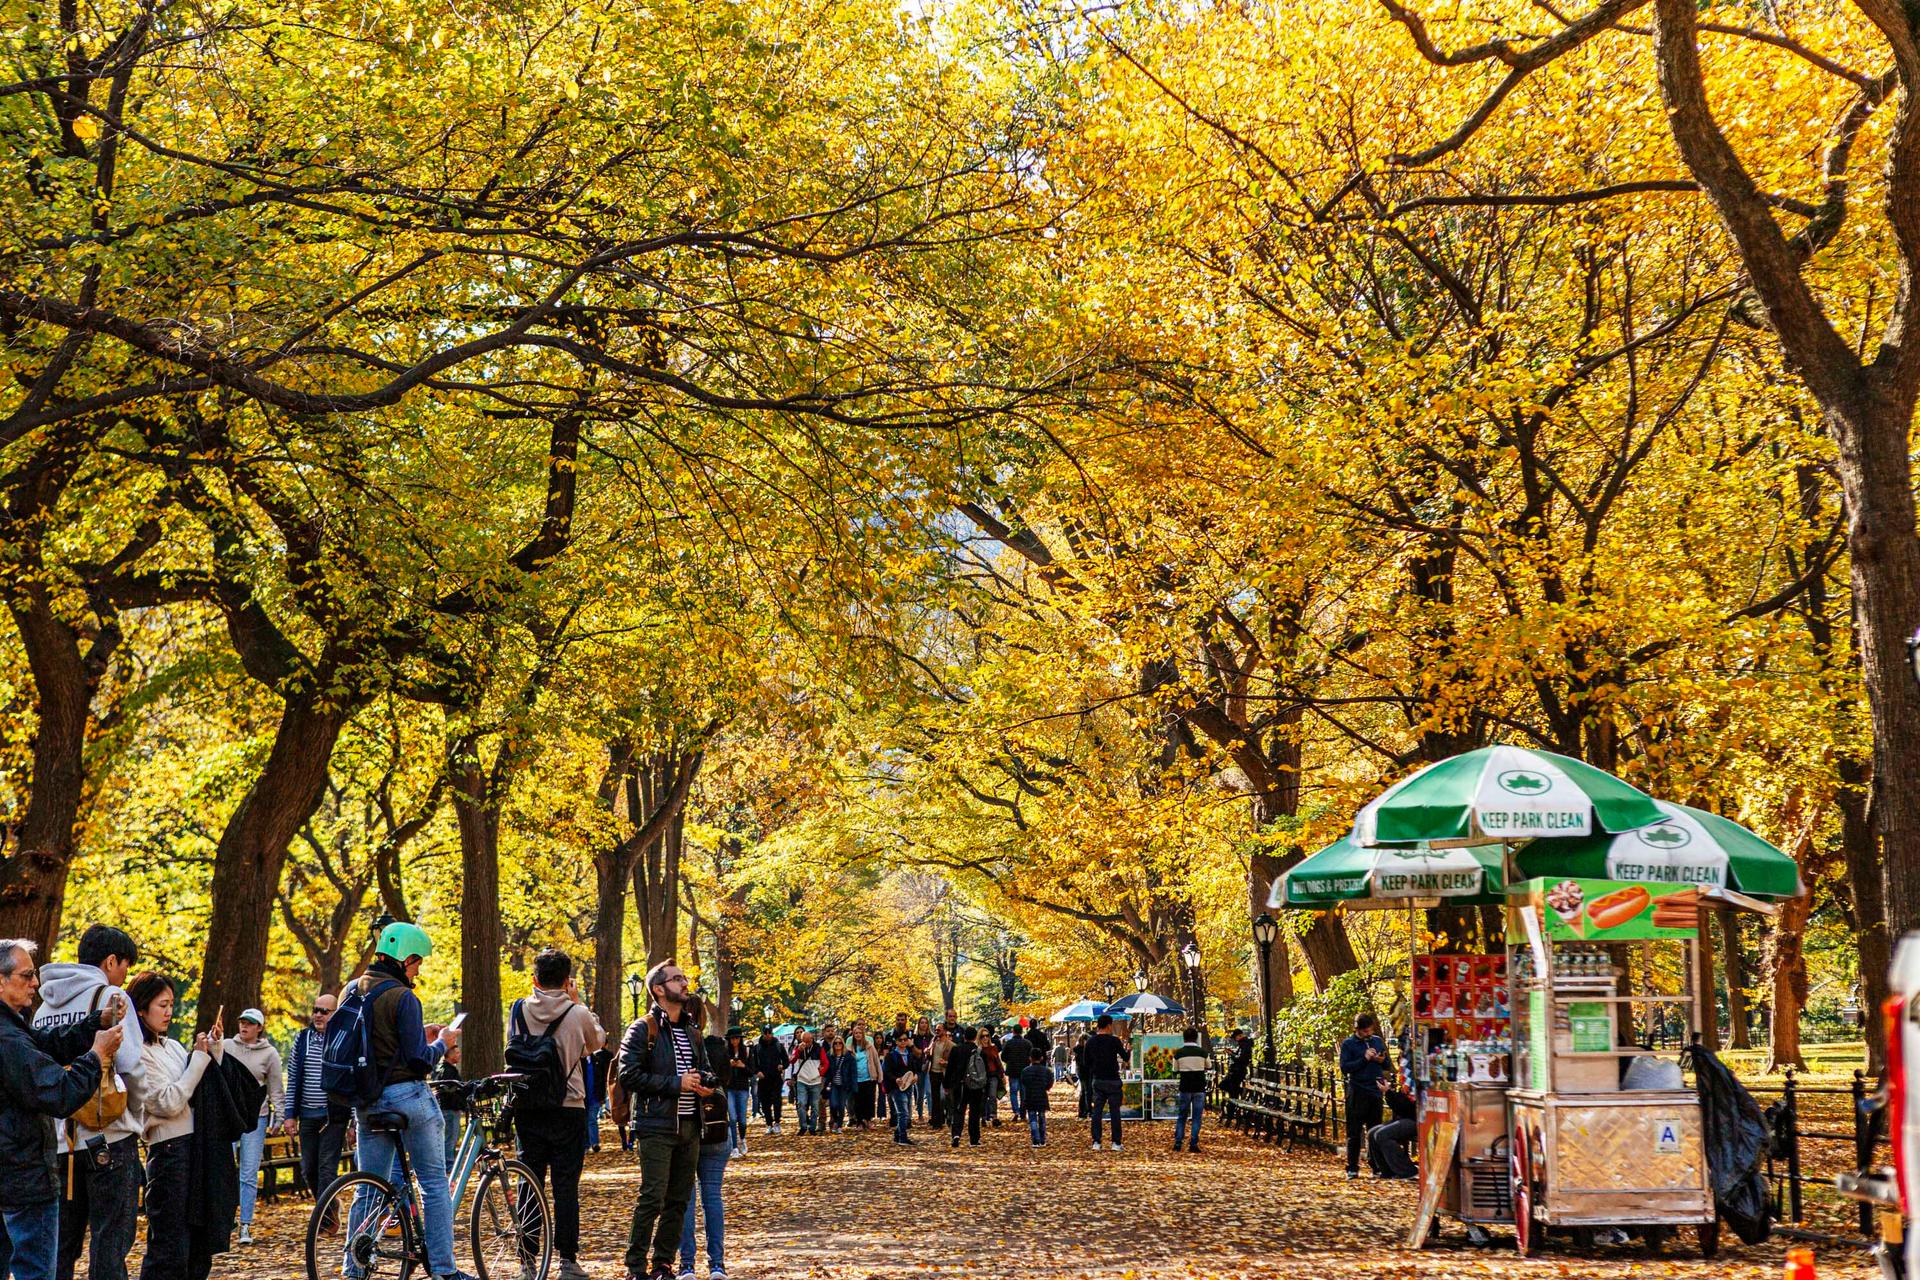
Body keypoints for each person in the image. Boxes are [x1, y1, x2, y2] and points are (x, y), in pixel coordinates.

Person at [344, 921, 467, 1280]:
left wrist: (421, 1035)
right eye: (417, 963)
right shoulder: (403, 996)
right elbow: (419, 1061)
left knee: (368, 1186)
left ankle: (353, 1270)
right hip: (407, 1098)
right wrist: (442, 1042)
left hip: (365, 1102)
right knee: (432, 1182)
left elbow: (379, 1046)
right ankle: (444, 1270)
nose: (417, 970)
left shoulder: (352, 992)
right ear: (405, 958)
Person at [0, 939, 119, 1280]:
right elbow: (59, 1092)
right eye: (26, 976)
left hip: (13, 1172)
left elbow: (45, 1044)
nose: (35, 983)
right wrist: (97, 1056)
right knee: (36, 1272)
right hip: (23, 1176)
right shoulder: (6, 1038)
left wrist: (95, 1022)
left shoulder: (13, 1028)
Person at [32, 924, 145, 1280]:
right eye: (125, 966)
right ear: (111, 961)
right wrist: (138, 1119)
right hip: (108, 1136)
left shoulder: (42, 1009)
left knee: (61, 1246)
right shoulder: (111, 998)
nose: (125, 977)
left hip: (60, 1142)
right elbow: (132, 1067)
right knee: (109, 1242)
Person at [510, 948, 605, 1280]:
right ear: (567, 981)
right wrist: (579, 1003)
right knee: (566, 1186)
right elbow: (597, 1043)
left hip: (529, 1107)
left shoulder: (518, 1010)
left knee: (529, 1183)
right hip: (568, 1107)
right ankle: (567, 1260)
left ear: (534, 979)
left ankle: (527, 1260)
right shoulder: (576, 1013)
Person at [616, 960, 715, 1280]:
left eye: (684, 978)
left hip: (691, 1126)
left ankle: (663, 1264)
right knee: (652, 1198)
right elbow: (628, 1075)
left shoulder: (693, 1031)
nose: (684, 983)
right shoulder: (642, 1028)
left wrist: (706, 1083)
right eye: (676, 979)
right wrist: (677, 1084)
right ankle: (635, 1267)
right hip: (656, 1127)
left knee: (679, 1201)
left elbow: (708, 1069)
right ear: (659, 989)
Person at [129, 970, 219, 1280]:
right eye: (162, 1005)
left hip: (194, 1148)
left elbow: (197, 1087)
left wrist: (211, 1050)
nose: (169, 1012)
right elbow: (167, 1101)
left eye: (171, 1004)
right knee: (170, 1247)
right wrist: (197, 1059)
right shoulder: (138, 1052)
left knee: (199, 1244)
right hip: (168, 1152)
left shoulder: (172, 1047)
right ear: (141, 1009)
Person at [220, 1009, 282, 1245]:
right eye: (242, 1022)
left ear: (259, 1028)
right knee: (224, 1169)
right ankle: (225, 1220)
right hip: (229, 1118)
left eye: (250, 1024)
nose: (244, 1026)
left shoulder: (269, 1054)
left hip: (256, 1119)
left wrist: (280, 1117)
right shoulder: (226, 1046)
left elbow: (276, 1088)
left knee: (248, 1173)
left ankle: (245, 1224)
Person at [677, 1008, 730, 1280]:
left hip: (690, 1127)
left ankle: (687, 1264)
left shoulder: (679, 1045)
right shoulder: (718, 1046)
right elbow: (727, 1081)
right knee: (712, 1196)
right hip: (718, 1126)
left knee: (686, 1198)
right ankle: (717, 1264)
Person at [282, 992, 345, 1208]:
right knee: (309, 1169)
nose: (318, 1015)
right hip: (307, 1116)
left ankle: (325, 1218)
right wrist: (289, 1115)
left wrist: (354, 1121)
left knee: (327, 1169)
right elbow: (292, 1079)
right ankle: (330, 1208)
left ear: (336, 1014)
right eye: (315, 1010)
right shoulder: (302, 1039)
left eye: (324, 1011)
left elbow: (351, 1079)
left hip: (332, 1116)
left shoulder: (342, 1040)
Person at [1339, 1012, 1390, 1180]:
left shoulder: (1377, 1041)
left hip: (1374, 1091)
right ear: (1358, 1030)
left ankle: (1376, 1165)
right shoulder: (1348, 1044)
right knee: (1354, 1132)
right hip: (1357, 1090)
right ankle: (1352, 1168)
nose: (1369, 1034)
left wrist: (1380, 1060)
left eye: (1370, 1031)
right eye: (1365, 1031)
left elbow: (1387, 1064)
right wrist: (1364, 1058)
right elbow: (1346, 1067)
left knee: (1374, 1130)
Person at [1084, 1014, 1125, 1151]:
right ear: (1108, 1025)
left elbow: (1086, 1062)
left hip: (1098, 1080)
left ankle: (1096, 1141)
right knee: (1115, 1112)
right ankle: (1116, 1143)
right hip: (1113, 1079)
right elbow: (1125, 1057)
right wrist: (1129, 1050)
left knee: (1097, 1111)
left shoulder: (1090, 1042)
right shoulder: (1114, 1041)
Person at [943, 1025, 986, 1148]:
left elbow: (950, 1068)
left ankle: (956, 1134)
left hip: (960, 1084)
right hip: (975, 1085)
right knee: (974, 1112)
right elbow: (984, 1070)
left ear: (963, 1036)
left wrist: (947, 1084)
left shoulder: (957, 1050)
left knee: (959, 1110)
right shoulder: (978, 1051)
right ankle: (974, 1138)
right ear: (975, 1037)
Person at [1367, 1088, 1419, 1179]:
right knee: (1372, 1133)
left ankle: (1407, 1171)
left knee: (1382, 1135)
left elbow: (1408, 1109)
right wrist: (1388, 1093)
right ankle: (1387, 1171)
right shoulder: (1406, 1084)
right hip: (1406, 1117)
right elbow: (1400, 1107)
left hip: (1416, 1119)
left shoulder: (1414, 1084)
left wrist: (1388, 1093)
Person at [1171, 1026, 1209, 1153]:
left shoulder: (1179, 1053)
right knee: (1197, 1116)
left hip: (1185, 1087)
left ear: (1184, 1038)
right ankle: (1193, 1143)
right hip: (1199, 1087)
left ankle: (1178, 1142)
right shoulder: (1203, 1052)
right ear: (1196, 1038)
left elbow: (1175, 1070)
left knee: (1182, 1115)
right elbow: (1208, 1065)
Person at [429, 1042, 465, 1175]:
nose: (459, 1054)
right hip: (449, 1109)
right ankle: (448, 1167)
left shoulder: (440, 1069)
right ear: (449, 1056)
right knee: (450, 1139)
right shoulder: (448, 1071)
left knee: (447, 1138)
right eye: (456, 1053)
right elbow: (447, 1090)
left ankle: (446, 1165)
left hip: (444, 1108)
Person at [881, 1030, 920, 1145]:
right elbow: (886, 1071)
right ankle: (903, 1138)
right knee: (902, 1113)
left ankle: (898, 1135)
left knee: (906, 1113)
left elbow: (914, 1069)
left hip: (908, 1087)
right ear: (896, 1042)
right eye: (900, 1040)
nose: (903, 1042)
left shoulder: (910, 1055)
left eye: (905, 1040)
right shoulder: (891, 1056)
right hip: (896, 1088)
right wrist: (895, 1079)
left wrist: (915, 1076)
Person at [786, 1031, 827, 1136]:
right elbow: (792, 1060)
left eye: (809, 1041)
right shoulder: (798, 1048)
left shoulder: (819, 1049)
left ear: (812, 1039)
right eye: (804, 1041)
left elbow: (825, 1063)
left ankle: (812, 1127)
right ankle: (803, 1126)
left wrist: (820, 1073)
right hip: (802, 1080)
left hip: (815, 1081)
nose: (807, 1043)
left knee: (815, 1106)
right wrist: (798, 1051)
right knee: (801, 1104)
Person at [722, 1032, 752, 1155]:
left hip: (743, 1088)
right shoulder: (725, 1053)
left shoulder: (747, 1052)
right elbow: (721, 1070)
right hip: (730, 1088)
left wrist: (742, 1066)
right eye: (732, 1039)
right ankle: (734, 1146)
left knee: (742, 1120)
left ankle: (742, 1139)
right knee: (732, 1118)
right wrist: (728, 1065)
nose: (734, 1041)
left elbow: (752, 1071)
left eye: (737, 1038)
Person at [751, 1029, 784, 1135]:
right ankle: (769, 1124)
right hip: (763, 1079)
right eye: (766, 1033)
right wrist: (757, 1072)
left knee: (777, 1101)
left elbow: (786, 1060)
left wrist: (782, 1066)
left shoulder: (778, 1046)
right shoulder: (757, 1048)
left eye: (770, 1033)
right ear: (763, 1034)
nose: (768, 1035)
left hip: (776, 1078)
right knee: (765, 1103)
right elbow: (753, 1063)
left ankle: (777, 1122)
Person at [1017, 1050, 1053, 1147]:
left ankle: (1035, 1140)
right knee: (1042, 1117)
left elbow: (1023, 1082)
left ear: (1030, 1058)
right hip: (1042, 1096)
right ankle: (1042, 1139)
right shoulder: (1047, 1071)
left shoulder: (1025, 1071)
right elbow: (1050, 1083)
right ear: (1041, 1058)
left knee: (1032, 1118)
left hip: (1030, 1096)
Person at [847, 1029, 879, 1130]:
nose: (858, 1035)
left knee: (869, 1099)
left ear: (863, 1034)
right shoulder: (850, 1048)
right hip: (856, 1079)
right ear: (853, 1035)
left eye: (860, 1033)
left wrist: (879, 1074)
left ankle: (869, 1120)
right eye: (855, 1033)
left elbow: (876, 1060)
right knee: (858, 1101)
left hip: (869, 1077)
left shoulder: (869, 1046)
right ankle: (859, 1122)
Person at [999, 1026, 1032, 1119]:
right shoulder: (1027, 1043)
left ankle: (1016, 1111)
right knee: (1023, 1092)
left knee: (1013, 1092)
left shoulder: (1009, 1043)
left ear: (1013, 1031)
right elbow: (1031, 1055)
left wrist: (1009, 1061)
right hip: (1024, 1070)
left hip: (1013, 1070)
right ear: (1021, 1031)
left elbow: (1003, 1056)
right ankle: (1023, 1112)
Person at [925, 1027, 952, 1130]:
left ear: (944, 1031)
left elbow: (955, 1060)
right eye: (936, 1029)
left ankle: (946, 1118)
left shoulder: (950, 1045)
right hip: (933, 1072)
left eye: (939, 1029)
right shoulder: (933, 1042)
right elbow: (929, 1055)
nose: (937, 1031)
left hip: (943, 1073)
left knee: (943, 1097)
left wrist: (946, 1063)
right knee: (934, 1097)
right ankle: (936, 1122)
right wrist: (927, 1052)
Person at [978, 1028, 1005, 1127]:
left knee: (992, 1096)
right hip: (982, 1076)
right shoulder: (978, 1049)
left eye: (987, 1035)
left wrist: (1002, 1074)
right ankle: (984, 1117)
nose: (985, 1038)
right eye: (983, 1036)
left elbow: (998, 1061)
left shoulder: (993, 1048)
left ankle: (994, 1117)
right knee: (983, 1097)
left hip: (993, 1075)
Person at [824, 1036, 850, 1135]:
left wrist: (852, 1085)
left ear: (843, 1044)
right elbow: (826, 1069)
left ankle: (839, 1125)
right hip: (833, 1084)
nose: (838, 1045)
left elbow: (852, 1071)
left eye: (840, 1043)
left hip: (844, 1085)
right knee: (833, 1105)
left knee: (841, 1106)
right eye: (835, 1043)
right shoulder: (829, 1056)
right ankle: (835, 1121)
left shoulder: (847, 1056)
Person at [911, 1017, 933, 1123]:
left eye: (925, 1023)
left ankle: (931, 1114)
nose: (923, 1025)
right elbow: (913, 1053)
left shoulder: (932, 1037)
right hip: (918, 1068)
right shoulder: (914, 1037)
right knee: (919, 1093)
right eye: (921, 1023)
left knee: (929, 1092)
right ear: (918, 1024)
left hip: (929, 1068)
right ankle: (920, 1114)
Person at [1220, 1028, 1253, 1099]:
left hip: (1238, 1071)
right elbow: (1238, 1056)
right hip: (1235, 1070)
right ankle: (1238, 1095)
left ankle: (1240, 1094)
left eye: (1235, 1037)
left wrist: (1230, 1054)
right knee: (1225, 1085)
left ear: (1239, 1035)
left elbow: (1240, 1058)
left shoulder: (1245, 1044)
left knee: (1231, 1088)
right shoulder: (1242, 1044)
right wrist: (1231, 1052)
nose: (1235, 1040)